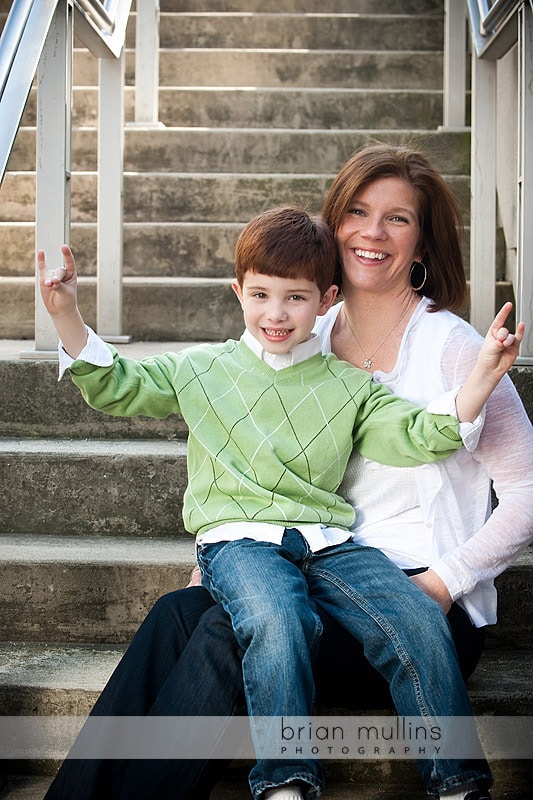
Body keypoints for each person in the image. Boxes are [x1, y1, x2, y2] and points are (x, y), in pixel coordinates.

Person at [39, 145, 533, 800]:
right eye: (357, 211)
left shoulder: (456, 351)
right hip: (299, 565)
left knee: (223, 633)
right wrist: (221, 547)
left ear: (422, 242)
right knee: (177, 614)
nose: (372, 232)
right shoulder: (305, 328)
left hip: (411, 597)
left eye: (397, 219)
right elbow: (247, 450)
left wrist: (444, 583)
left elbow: (526, 489)